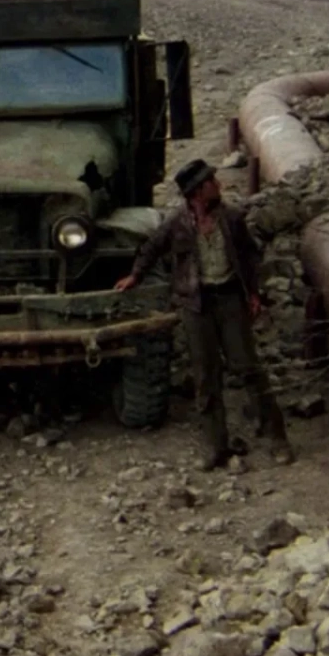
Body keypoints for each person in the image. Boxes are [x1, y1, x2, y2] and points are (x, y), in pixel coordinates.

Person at [114, 159, 294, 471]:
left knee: (248, 368)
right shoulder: (176, 223)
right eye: (211, 181)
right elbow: (151, 248)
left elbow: (250, 256)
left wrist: (253, 293)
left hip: (229, 299)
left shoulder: (232, 218)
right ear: (198, 192)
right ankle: (216, 446)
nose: (218, 184)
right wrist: (135, 277)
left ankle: (276, 437)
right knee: (206, 378)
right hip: (196, 304)